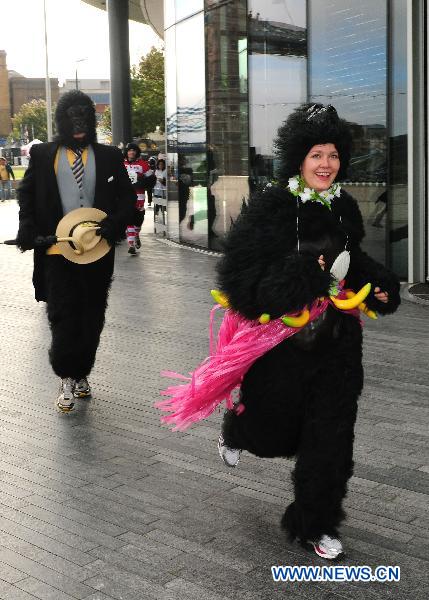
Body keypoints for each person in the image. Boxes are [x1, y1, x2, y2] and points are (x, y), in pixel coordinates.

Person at [158, 104, 400, 560]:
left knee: (331, 441)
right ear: (298, 159)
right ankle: (238, 428)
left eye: (332, 154)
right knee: (271, 433)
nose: (326, 163)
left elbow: (353, 264)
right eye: (316, 154)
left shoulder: (346, 206)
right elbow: (242, 283)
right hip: (281, 352)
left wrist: (381, 287)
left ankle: (315, 523)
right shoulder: (272, 207)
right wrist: (303, 276)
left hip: (337, 349)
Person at [16, 90, 136, 412]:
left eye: (85, 116)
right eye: (72, 117)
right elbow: (26, 196)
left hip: (97, 252)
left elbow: (127, 199)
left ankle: (82, 372)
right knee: (63, 314)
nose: (79, 123)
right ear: (62, 121)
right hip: (57, 251)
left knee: (92, 315)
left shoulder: (110, 156)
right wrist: (27, 227)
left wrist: (115, 223)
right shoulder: (42, 155)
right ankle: (67, 377)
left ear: (92, 120)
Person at [123, 143, 152, 255]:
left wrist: (142, 182)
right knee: (129, 218)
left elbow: (151, 178)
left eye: (134, 150)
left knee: (138, 221)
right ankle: (131, 245)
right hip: (125, 195)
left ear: (137, 152)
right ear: (127, 152)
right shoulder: (121, 164)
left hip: (139, 196)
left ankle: (136, 235)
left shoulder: (143, 164)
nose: (132, 152)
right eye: (130, 150)